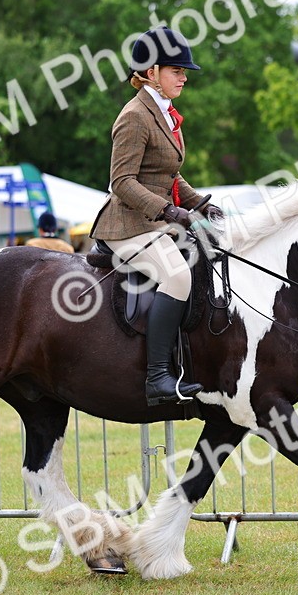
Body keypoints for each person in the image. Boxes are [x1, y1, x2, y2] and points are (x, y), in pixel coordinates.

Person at [89, 26, 219, 406]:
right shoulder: (134, 116)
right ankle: (158, 376)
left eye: (184, 71)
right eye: (176, 70)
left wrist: (201, 204)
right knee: (177, 276)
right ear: (150, 73)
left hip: (155, 221)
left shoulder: (163, 114)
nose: (184, 77)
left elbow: (169, 174)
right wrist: (168, 210)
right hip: (127, 224)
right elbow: (122, 182)